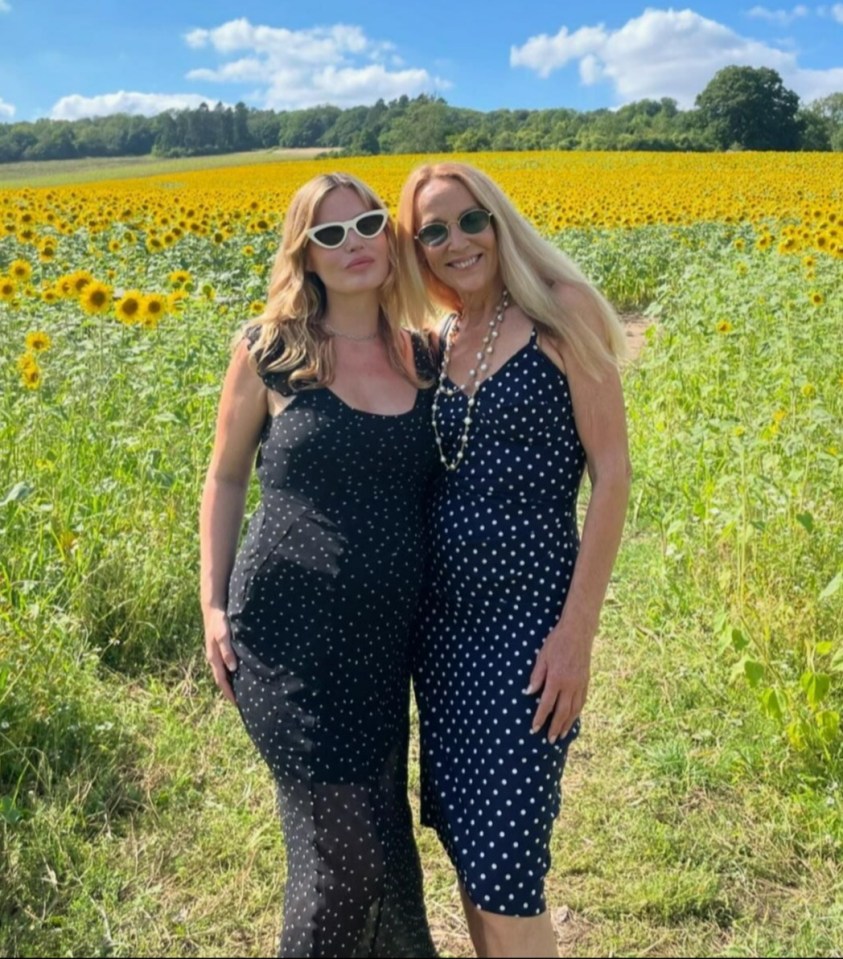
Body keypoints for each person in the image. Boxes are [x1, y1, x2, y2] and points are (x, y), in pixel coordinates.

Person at [200, 172, 439, 958]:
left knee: (382, 842)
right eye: (329, 234)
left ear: (389, 231)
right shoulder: (269, 351)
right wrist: (210, 604)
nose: (353, 244)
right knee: (341, 858)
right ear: (304, 255)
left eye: (366, 223)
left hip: (384, 650)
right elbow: (227, 476)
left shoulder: (425, 356)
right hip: (286, 639)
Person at [397, 162, 631, 959]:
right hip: (442, 636)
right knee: (468, 842)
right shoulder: (437, 342)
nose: (456, 241)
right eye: (433, 230)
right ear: (417, 250)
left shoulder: (558, 316)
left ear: (497, 222)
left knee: (507, 864)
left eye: (470, 220)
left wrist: (576, 635)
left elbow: (611, 474)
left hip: (529, 630)